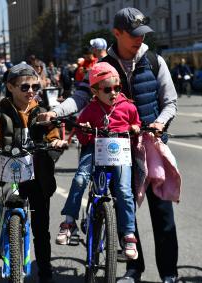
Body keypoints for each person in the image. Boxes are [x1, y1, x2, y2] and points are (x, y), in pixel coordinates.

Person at [39, 7, 178, 283]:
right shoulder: (102, 68)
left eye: (143, 33)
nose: (139, 39)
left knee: (163, 215)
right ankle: (133, 270)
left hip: (150, 145)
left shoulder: (154, 61)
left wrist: (160, 122)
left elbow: (170, 101)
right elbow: (79, 97)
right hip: (115, 146)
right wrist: (56, 112)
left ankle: (169, 274)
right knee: (124, 207)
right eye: (133, 34)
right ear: (117, 33)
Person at [0, 63, 67, 283]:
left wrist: (56, 142)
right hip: (10, 173)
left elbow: (52, 135)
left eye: (34, 87)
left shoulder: (42, 111)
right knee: (5, 206)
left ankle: (45, 274)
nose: (31, 91)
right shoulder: (1, 112)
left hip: (38, 176)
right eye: (24, 87)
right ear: (10, 87)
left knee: (41, 228)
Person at [77, 61, 141, 259]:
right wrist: (85, 129)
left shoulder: (127, 106)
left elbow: (135, 122)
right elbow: (81, 131)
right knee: (82, 179)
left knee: (123, 189)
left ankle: (129, 234)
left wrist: (135, 128)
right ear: (95, 91)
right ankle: (72, 220)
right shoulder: (91, 108)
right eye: (107, 89)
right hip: (97, 150)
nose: (113, 92)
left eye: (117, 88)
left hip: (120, 152)